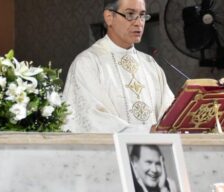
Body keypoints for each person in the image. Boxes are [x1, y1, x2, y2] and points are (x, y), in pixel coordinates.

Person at [62, 0, 174, 133]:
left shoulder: (150, 64)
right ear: (109, 17)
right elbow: (91, 118)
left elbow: (169, 114)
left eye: (142, 15)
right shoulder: (88, 62)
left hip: (155, 152)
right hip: (111, 152)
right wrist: (146, 131)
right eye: (130, 14)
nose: (139, 23)